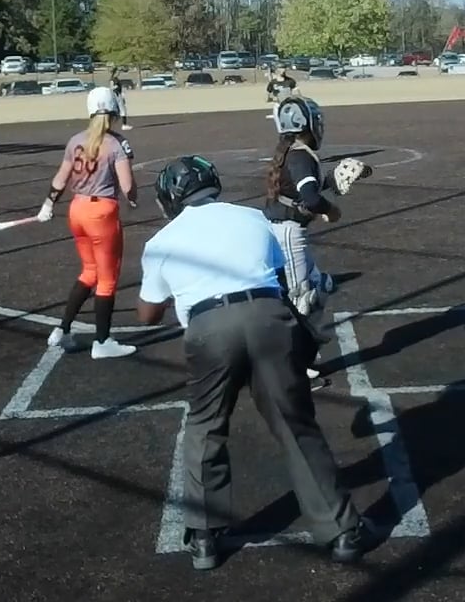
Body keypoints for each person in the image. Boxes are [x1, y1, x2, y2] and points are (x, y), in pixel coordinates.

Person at [135, 154, 376, 571]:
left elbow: (147, 315)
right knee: (295, 423)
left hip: (209, 328)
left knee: (206, 426)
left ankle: (205, 538)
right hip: (269, 317)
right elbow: (278, 277)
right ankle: (342, 532)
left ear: (170, 199)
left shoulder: (160, 241)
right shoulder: (251, 217)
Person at [38, 87, 138, 359]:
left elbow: (60, 179)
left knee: (89, 273)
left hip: (77, 209)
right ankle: (102, 342)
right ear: (114, 111)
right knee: (107, 279)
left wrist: (48, 204)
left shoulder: (75, 141)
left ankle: (62, 329)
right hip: (101, 213)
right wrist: (134, 200)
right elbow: (128, 186)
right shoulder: (117, 144)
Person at [262, 94, 341, 381]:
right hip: (288, 232)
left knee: (320, 287)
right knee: (301, 298)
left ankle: (304, 349)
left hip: (285, 229)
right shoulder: (299, 155)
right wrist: (330, 209)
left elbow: (300, 192)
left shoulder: (292, 151)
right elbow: (309, 198)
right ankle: (294, 366)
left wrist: (331, 181)